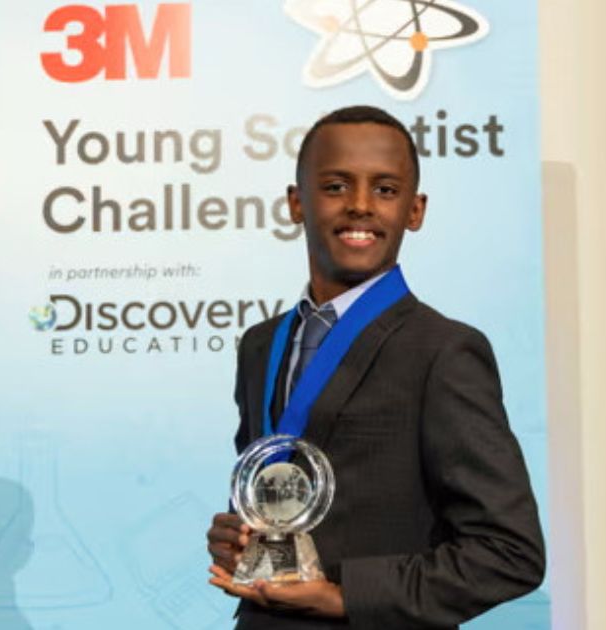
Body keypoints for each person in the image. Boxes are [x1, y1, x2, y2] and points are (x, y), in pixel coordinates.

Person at [206, 105, 544, 629]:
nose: (360, 205)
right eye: (335, 186)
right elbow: (277, 488)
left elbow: (510, 552)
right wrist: (240, 536)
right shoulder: (259, 345)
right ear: (296, 202)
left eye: (385, 189)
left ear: (415, 210)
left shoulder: (444, 352)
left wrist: (344, 597)